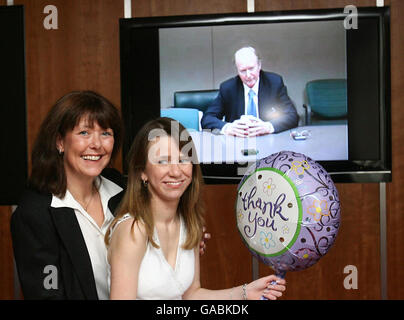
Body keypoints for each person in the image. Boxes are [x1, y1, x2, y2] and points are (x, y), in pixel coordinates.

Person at [106, 117, 286, 300]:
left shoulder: (189, 223)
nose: (176, 171)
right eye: (162, 162)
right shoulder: (133, 230)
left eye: (183, 160)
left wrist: (245, 292)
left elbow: (191, 294)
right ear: (142, 172)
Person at [201, 46, 299, 137]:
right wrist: (227, 127)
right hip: (237, 142)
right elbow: (207, 119)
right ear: (237, 70)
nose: (248, 75)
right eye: (243, 71)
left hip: (267, 140)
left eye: (251, 69)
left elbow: (292, 116)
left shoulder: (274, 83)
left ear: (259, 65)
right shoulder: (228, 88)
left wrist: (268, 126)